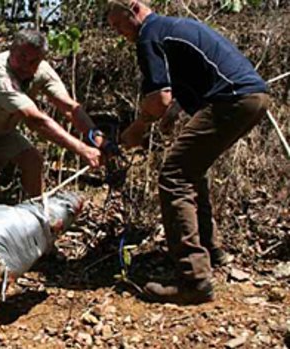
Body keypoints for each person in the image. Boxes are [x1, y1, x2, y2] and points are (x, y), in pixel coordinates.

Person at [106, 0, 270, 304]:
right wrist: (170, 115)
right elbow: (183, 84)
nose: (119, 33)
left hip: (232, 100)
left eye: (119, 25)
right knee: (192, 169)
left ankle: (193, 280)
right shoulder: (173, 28)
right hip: (252, 97)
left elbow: (159, 97)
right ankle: (211, 250)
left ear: (135, 9)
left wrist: (138, 128)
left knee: (173, 177)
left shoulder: (149, 35)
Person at [0, 29, 112, 208]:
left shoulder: (43, 71)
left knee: (34, 161)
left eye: (33, 61)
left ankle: (37, 216)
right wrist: (82, 150)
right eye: (21, 57)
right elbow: (35, 120)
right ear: (11, 50)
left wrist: (99, 140)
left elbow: (69, 107)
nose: (25, 66)